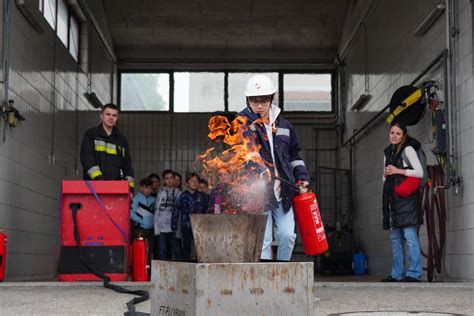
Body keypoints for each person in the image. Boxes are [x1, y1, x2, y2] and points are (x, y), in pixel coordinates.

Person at [237, 74, 310, 261]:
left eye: (264, 100)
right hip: (259, 192)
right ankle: (264, 280)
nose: (259, 105)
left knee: (287, 235)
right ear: (248, 100)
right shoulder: (243, 123)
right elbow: (247, 152)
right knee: (264, 239)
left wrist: (302, 178)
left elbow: (295, 156)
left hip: (284, 189)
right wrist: (259, 169)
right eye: (254, 101)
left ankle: (282, 273)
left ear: (271, 98)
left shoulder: (285, 125)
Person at [381, 122, 423, 282]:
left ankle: (414, 273)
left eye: (398, 133)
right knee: (395, 238)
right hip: (391, 199)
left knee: (410, 236)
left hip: (406, 200)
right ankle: (396, 274)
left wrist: (398, 170)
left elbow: (419, 173)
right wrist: (386, 174)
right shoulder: (387, 152)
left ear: (404, 135)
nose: (394, 136)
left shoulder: (408, 149)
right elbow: (383, 178)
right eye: (392, 132)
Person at [80, 103, 134, 191]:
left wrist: (130, 189)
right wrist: (99, 179)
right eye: (108, 114)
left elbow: (127, 165)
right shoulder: (92, 134)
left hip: (116, 188)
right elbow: (87, 159)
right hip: (93, 187)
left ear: (117, 118)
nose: (111, 118)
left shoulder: (121, 140)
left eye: (114, 115)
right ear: (101, 116)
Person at [173, 173, 208, 260]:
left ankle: (199, 263)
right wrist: (174, 223)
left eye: (196, 181)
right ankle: (187, 264)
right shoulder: (183, 195)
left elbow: (206, 210)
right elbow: (177, 209)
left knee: (199, 247)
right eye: (192, 181)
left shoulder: (202, 195)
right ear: (187, 183)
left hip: (199, 226)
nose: (194, 183)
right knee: (187, 246)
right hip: (186, 226)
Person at [154, 169, 182, 260]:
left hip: (173, 227)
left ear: (174, 179)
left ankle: (180, 270)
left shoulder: (178, 193)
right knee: (162, 250)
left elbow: (180, 212)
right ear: (164, 180)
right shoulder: (161, 193)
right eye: (167, 178)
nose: (169, 180)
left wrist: (178, 229)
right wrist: (156, 227)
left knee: (176, 250)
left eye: (171, 178)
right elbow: (157, 210)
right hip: (161, 227)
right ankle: (162, 272)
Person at [130, 178, 156, 261]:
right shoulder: (135, 199)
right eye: (146, 187)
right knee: (141, 251)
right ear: (141, 188)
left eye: (150, 188)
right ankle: (140, 271)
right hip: (140, 229)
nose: (148, 190)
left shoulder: (154, 199)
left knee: (150, 251)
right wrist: (142, 222)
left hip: (152, 230)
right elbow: (131, 214)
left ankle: (148, 271)